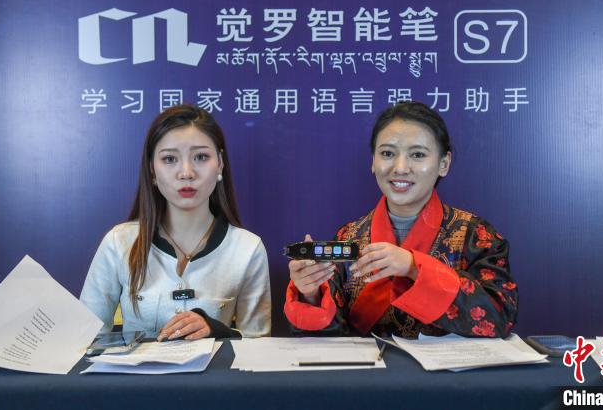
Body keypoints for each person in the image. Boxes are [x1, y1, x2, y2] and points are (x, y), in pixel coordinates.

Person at [285, 102, 517, 338]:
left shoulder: (475, 236)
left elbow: (500, 317)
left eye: (417, 155)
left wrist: (413, 267)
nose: (400, 168)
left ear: (443, 164)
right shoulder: (348, 237)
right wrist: (310, 293)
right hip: (369, 363)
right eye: (387, 153)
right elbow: (330, 340)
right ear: (373, 161)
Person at [81, 105, 271, 340]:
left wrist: (217, 330)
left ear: (220, 164)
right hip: (138, 366)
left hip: (215, 366)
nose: (186, 173)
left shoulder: (248, 249)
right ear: (152, 169)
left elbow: (258, 344)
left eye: (201, 157)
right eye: (170, 159)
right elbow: (85, 339)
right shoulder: (119, 242)